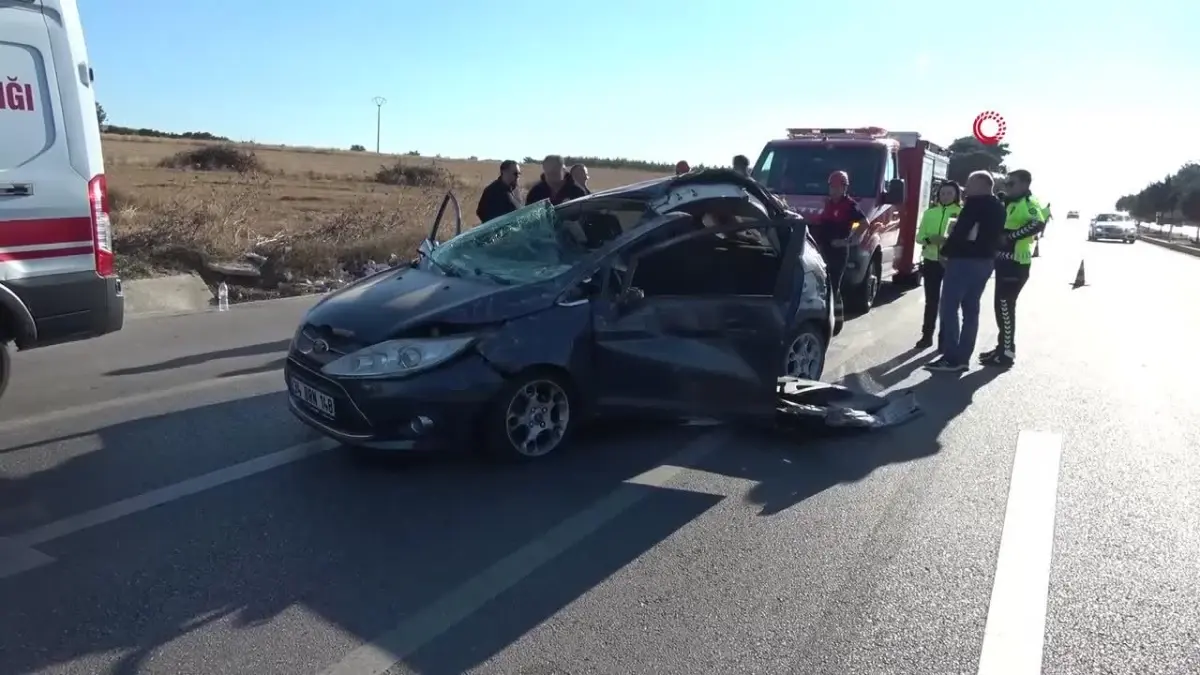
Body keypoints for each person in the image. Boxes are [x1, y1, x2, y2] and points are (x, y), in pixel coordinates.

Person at [925, 171, 1006, 372]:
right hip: (986, 261)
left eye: (970, 184)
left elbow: (961, 231)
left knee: (949, 307)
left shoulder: (974, 204)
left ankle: (951, 357)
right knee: (971, 309)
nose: (966, 189)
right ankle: (963, 357)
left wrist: (944, 252)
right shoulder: (998, 206)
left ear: (982, 184)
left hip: (964, 261)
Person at [978, 169, 1046, 368]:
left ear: (1025, 184)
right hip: (1003, 262)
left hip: (1016, 263)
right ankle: (1002, 348)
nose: (1007, 187)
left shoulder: (1029, 203)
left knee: (1006, 309)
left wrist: (1009, 237)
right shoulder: (1010, 203)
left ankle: (1007, 353)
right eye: (1006, 183)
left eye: (1011, 184)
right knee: (1000, 307)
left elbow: (1038, 224)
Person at [914, 181, 962, 349]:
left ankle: (945, 339)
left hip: (952, 263)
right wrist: (930, 239)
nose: (945, 196)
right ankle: (927, 335)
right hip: (931, 261)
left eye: (949, 193)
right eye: (943, 193)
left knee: (949, 303)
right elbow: (919, 237)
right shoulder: (930, 213)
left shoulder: (961, 213)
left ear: (956, 195)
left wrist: (948, 242)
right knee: (931, 301)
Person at [815, 170, 866, 325]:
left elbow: (865, 223)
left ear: (844, 188)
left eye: (838, 187)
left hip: (839, 252)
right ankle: (837, 320)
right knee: (826, 284)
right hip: (824, 249)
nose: (834, 190)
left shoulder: (850, 205)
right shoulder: (827, 203)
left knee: (833, 285)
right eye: (832, 187)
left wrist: (849, 241)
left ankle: (829, 322)